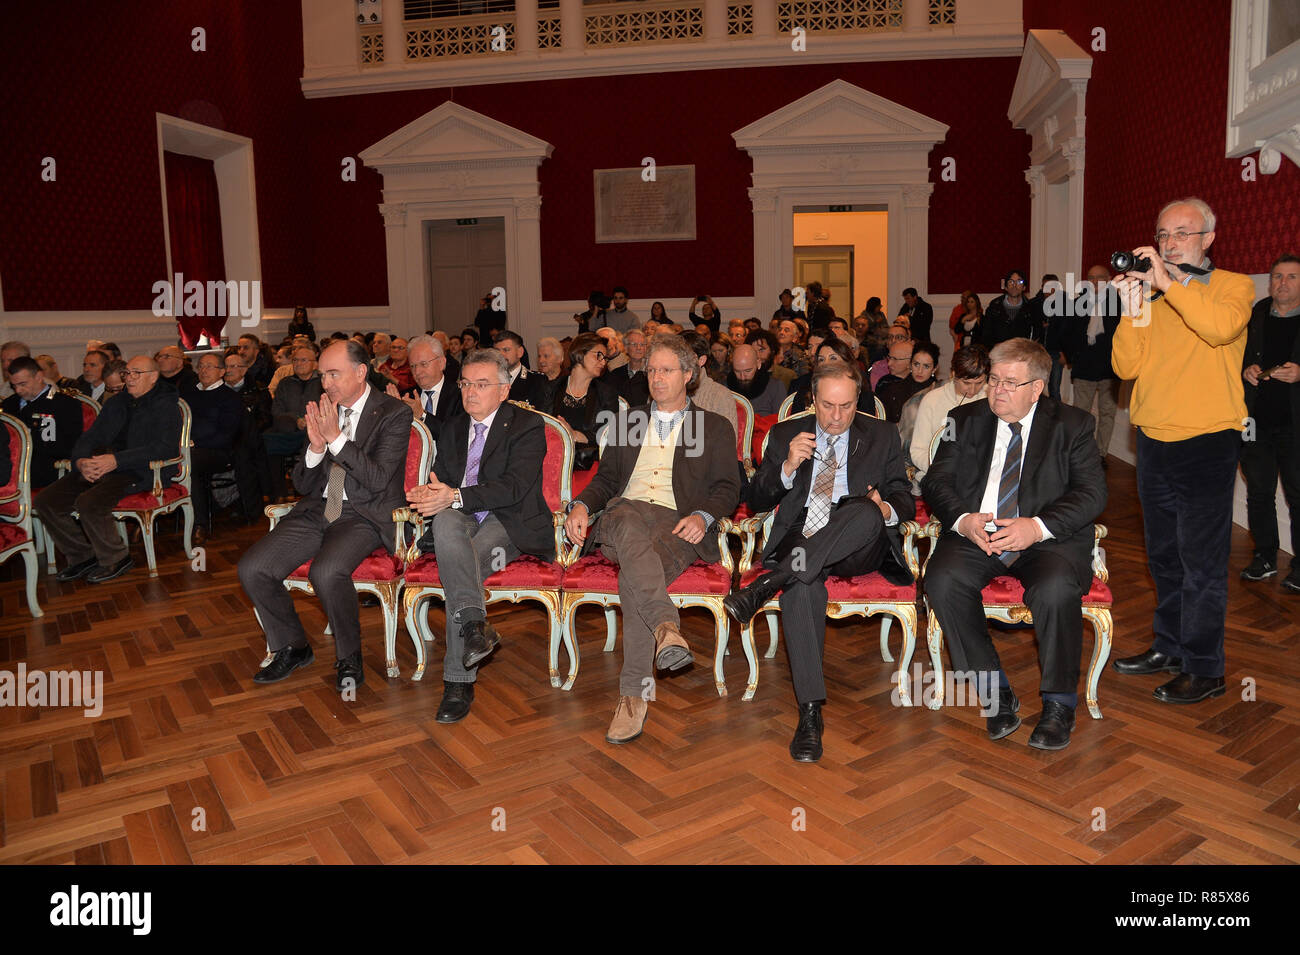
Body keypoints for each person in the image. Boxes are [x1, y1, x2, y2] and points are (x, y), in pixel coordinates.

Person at [922, 338, 1107, 750]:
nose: (997, 391)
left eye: (1010, 383)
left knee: (1056, 589)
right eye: (993, 380)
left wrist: (1036, 527)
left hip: (1045, 538)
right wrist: (963, 520)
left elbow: (1092, 494)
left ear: (1037, 388)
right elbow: (936, 481)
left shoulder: (1073, 425)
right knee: (942, 580)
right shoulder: (963, 419)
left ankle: (1059, 705)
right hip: (979, 532)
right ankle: (995, 692)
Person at [726, 362, 915, 761]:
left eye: (847, 406)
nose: (837, 417)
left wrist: (884, 510)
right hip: (802, 536)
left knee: (863, 509)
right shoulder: (784, 434)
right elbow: (756, 501)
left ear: (857, 401)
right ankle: (810, 714)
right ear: (812, 400)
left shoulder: (881, 435)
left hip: (858, 542)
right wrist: (787, 467)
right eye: (828, 406)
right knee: (802, 583)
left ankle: (767, 583)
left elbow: (903, 497)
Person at [1110, 197, 1256, 704]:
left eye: (1181, 234)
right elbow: (1127, 368)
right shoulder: (1151, 298)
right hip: (1153, 439)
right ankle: (1169, 646)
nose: (1169, 244)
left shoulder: (1233, 287)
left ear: (1208, 239)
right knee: (1164, 556)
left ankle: (1205, 667)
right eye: (1163, 234)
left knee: (1202, 562)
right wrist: (1132, 308)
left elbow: (1218, 330)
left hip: (1208, 441)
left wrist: (1170, 286)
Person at [564, 334, 739, 744]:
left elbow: (729, 487)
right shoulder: (630, 421)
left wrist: (703, 514)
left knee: (636, 572)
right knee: (625, 520)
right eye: (652, 371)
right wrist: (581, 505)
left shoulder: (712, 426)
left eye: (666, 370)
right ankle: (666, 628)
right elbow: (606, 480)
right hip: (623, 514)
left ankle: (633, 696)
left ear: (688, 375)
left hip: (675, 523)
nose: (656, 378)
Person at [239, 340, 413, 693]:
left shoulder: (393, 412)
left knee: (327, 571)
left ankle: (349, 657)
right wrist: (317, 448)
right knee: (252, 568)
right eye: (323, 375)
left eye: (334, 373)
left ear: (361, 372)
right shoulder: (325, 408)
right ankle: (293, 646)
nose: (326, 383)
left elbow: (378, 479)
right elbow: (303, 483)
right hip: (318, 509)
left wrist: (334, 438)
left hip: (362, 514)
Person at [406, 349, 557, 723]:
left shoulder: (526, 425)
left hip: (508, 520)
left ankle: (458, 682)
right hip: (459, 516)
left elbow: (514, 487)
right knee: (443, 523)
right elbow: (442, 476)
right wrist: (431, 493)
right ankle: (475, 625)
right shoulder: (455, 426)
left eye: (482, 385)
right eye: (466, 384)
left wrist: (453, 496)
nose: (470, 392)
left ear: (504, 390)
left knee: (463, 559)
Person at [35, 356, 183, 584]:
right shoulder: (117, 402)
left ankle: (117, 558)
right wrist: (81, 461)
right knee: (47, 500)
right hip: (103, 466)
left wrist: (116, 460)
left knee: (89, 502)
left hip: (141, 471)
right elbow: (91, 436)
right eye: (127, 373)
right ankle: (83, 555)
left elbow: (163, 448)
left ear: (153, 377)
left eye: (137, 373)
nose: (130, 378)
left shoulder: (165, 404)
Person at [1239, 253, 1300, 591]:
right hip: (1255, 422)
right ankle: (1264, 557)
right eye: (1278, 276)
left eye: (1291, 277)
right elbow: (1237, 356)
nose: (1283, 283)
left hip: (1295, 426)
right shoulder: (1257, 314)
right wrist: (1244, 369)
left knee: (1298, 494)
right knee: (1259, 493)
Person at [1065, 265, 1123, 467]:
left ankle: (1101, 454)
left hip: (1110, 368)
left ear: (1108, 279)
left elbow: (1125, 333)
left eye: (1100, 277)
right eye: (1091, 278)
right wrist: (1072, 356)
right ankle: (1080, 453)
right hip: (1084, 367)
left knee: (1108, 413)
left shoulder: (1119, 301)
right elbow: (1070, 333)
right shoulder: (1078, 302)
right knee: (1081, 414)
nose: (1095, 281)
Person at [909, 345, 990, 487]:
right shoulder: (932, 400)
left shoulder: (990, 400)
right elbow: (917, 450)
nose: (972, 390)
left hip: (978, 482)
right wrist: (942, 471)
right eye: (966, 383)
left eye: (979, 383)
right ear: (953, 374)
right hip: (937, 477)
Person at [184, 353, 245, 542]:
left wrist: (195, 443)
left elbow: (226, 436)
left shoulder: (229, 398)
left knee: (190, 464)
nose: (203, 370)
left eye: (209, 366)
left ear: (222, 371)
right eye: (201, 366)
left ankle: (199, 524)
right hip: (188, 448)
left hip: (219, 452)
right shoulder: (188, 394)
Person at [2, 356, 85, 489]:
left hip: (47, 471)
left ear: (39, 376)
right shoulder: (9, 404)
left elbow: (71, 446)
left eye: (23, 384)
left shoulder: (66, 405)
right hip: (10, 470)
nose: (18, 390)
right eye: (14, 385)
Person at [548, 332, 619, 470]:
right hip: (553, 463)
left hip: (590, 466)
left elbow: (610, 435)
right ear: (580, 353)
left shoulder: (606, 394)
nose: (603, 362)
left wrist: (575, 435)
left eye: (605, 358)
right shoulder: (551, 389)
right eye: (599, 355)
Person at [266, 345, 324, 501]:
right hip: (288, 428)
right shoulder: (285, 383)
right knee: (267, 441)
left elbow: (330, 408)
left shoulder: (323, 382)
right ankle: (279, 492)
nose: (298, 363)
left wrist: (310, 421)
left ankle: (304, 490)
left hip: (316, 430)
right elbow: (276, 410)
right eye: (295, 360)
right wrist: (296, 420)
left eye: (304, 360)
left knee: (311, 442)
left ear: (314, 363)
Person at [224, 351, 273, 523]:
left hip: (250, 438)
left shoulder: (258, 390)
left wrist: (245, 430)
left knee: (245, 451)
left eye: (233, 366)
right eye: (226, 366)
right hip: (222, 439)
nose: (228, 370)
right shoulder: (219, 391)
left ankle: (248, 506)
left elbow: (265, 419)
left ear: (244, 370)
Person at [388, 334, 461, 443]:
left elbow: (455, 437)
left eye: (423, 364)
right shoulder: (406, 397)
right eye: (413, 366)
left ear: (441, 363)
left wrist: (422, 415)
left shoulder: (460, 395)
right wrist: (394, 414)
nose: (417, 372)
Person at [680, 331, 739, 440]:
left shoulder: (720, 395)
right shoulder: (662, 392)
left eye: (684, 358)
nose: (678, 363)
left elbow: (726, 445)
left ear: (701, 360)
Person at [878, 341, 939, 423]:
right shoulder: (892, 390)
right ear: (910, 364)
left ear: (934, 369)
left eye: (926, 366)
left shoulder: (939, 393)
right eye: (916, 364)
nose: (920, 371)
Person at [978, 270, 1032, 349]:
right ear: (1005, 287)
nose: (1015, 285)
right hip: (999, 354)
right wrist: (995, 346)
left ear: (1024, 287)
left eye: (1019, 282)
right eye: (1011, 282)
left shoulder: (1030, 308)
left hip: (1022, 354)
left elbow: (1035, 335)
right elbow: (985, 335)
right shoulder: (994, 307)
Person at [728, 343, 785, 416]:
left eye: (748, 371)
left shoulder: (776, 387)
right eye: (737, 371)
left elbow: (783, 423)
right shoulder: (724, 388)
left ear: (758, 364)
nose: (742, 377)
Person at [606, 328, 649, 405]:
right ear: (625, 348)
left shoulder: (652, 373)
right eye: (634, 344)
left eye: (642, 345)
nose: (639, 348)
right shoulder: (615, 375)